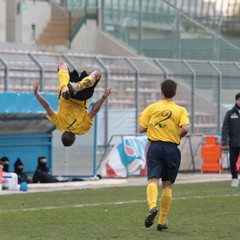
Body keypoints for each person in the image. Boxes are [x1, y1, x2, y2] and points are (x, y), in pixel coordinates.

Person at [138, 79, 190, 232]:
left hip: (155, 147)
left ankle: (152, 206)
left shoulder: (151, 108)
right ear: (174, 93)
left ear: (161, 92)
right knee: (167, 184)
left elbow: (141, 128)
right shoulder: (180, 110)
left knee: (153, 179)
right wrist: (177, 136)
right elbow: (185, 128)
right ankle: (161, 221)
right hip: (172, 148)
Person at [33, 62, 111, 147]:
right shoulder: (59, 124)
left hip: (82, 97)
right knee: (62, 66)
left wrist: (103, 98)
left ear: (74, 139)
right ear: (62, 134)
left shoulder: (81, 129)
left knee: (96, 74)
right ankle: (68, 87)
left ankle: (78, 86)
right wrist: (36, 93)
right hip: (68, 93)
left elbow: (93, 111)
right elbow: (46, 106)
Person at [221, 93, 240, 188]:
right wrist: (224, 140)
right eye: (239, 100)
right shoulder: (230, 113)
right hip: (234, 142)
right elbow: (225, 127)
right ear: (236, 100)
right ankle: (234, 179)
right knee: (232, 161)